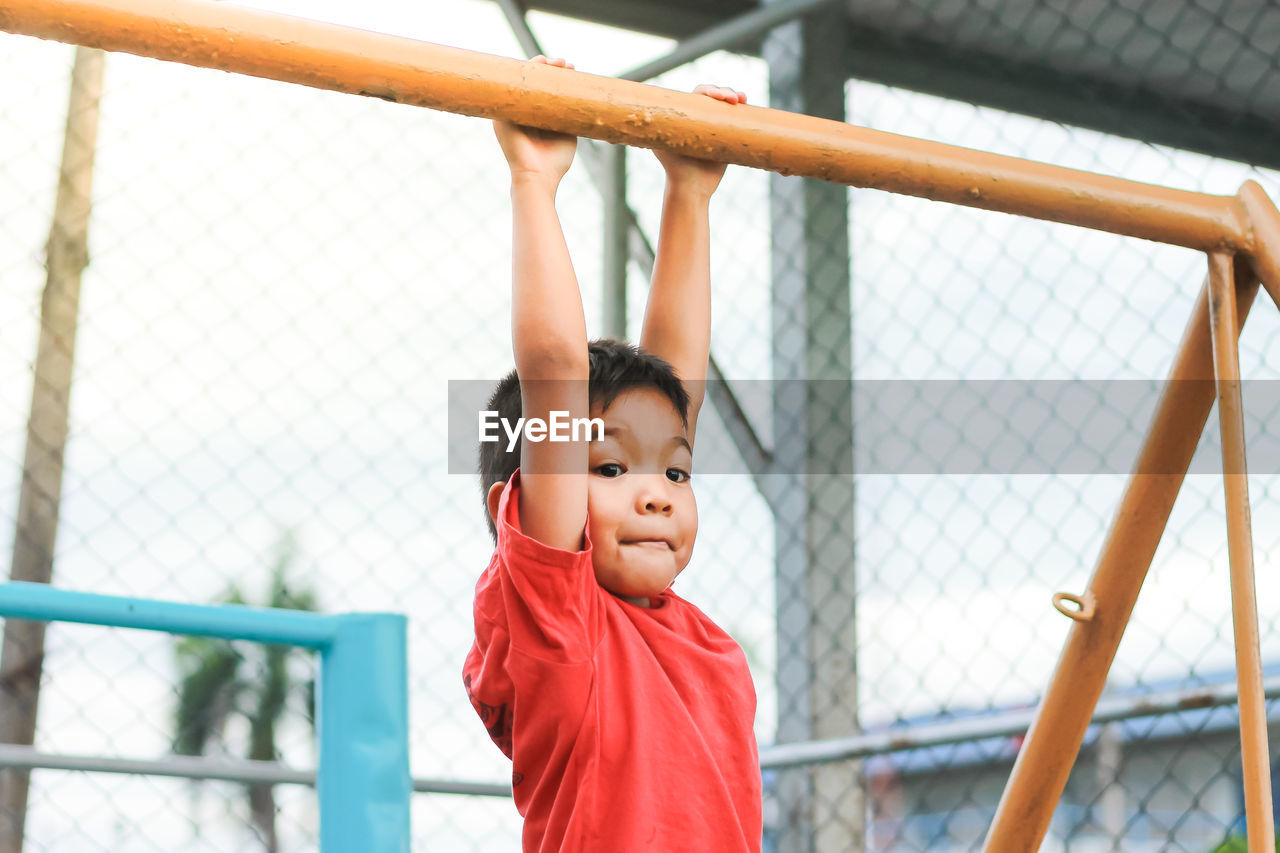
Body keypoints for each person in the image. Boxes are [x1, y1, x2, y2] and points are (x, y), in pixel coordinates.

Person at [463, 56, 761, 853]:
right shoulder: (558, 628)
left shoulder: (693, 639)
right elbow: (556, 375)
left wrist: (689, 193)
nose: (659, 493)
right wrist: (534, 178)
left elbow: (673, 393)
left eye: (676, 471)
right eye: (607, 468)